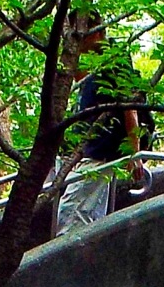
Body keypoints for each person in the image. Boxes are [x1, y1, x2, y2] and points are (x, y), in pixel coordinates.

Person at [54, 19, 148, 232]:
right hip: (86, 153)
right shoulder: (95, 64)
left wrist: (135, 154)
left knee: (74, 216)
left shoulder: (115, 58)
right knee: (76, 214)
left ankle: (76, 263)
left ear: (96, 33)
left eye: (80, 35)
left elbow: (129, 105)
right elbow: (76, 76)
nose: (77, 42)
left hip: (100, 156)